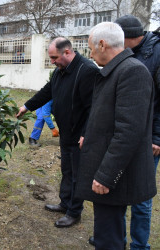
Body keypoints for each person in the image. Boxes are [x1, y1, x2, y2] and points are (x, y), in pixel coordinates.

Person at [76, 22, 157, 250]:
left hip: (114, 175)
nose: (90, 55)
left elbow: (128, 130)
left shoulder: (132, 72)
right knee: (107, 232)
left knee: (108, 238)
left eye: (91, 49)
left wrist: (106, 175)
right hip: (106, 167)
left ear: (102, 45)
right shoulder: (114, 71)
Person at [16, 37, 99, 228]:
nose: (52, 61)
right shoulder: (60, 70)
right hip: (66, 132)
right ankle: (65, 203)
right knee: (67, 170)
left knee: (78, 174)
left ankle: (74, 212)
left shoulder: (86, 71)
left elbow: (94, 107)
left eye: (54, 57)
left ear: (67, 52)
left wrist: (86, 133)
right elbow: (48, 91)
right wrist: (27, 106)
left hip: (79, 135)